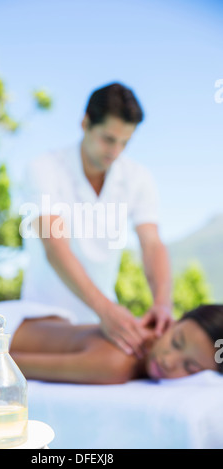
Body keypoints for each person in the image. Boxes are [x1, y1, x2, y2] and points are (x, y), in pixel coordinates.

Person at [20, 82, 172, 358]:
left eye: (125, 143)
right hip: (42, 321)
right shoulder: (44, 169)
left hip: (101, 324)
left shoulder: (138, 178)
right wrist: (104, 310)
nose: (115, 151)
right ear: (85, 123)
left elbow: (151, 244)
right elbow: (55, 248)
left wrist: (163, 303)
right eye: (108, 139)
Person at [0, 303, 222, 387]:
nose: (171, 360)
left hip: (22, 318)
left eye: (190, 367)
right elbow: (12, 363)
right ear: (173, 322)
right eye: (177, 341)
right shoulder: (116, 363)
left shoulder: (147, 337)